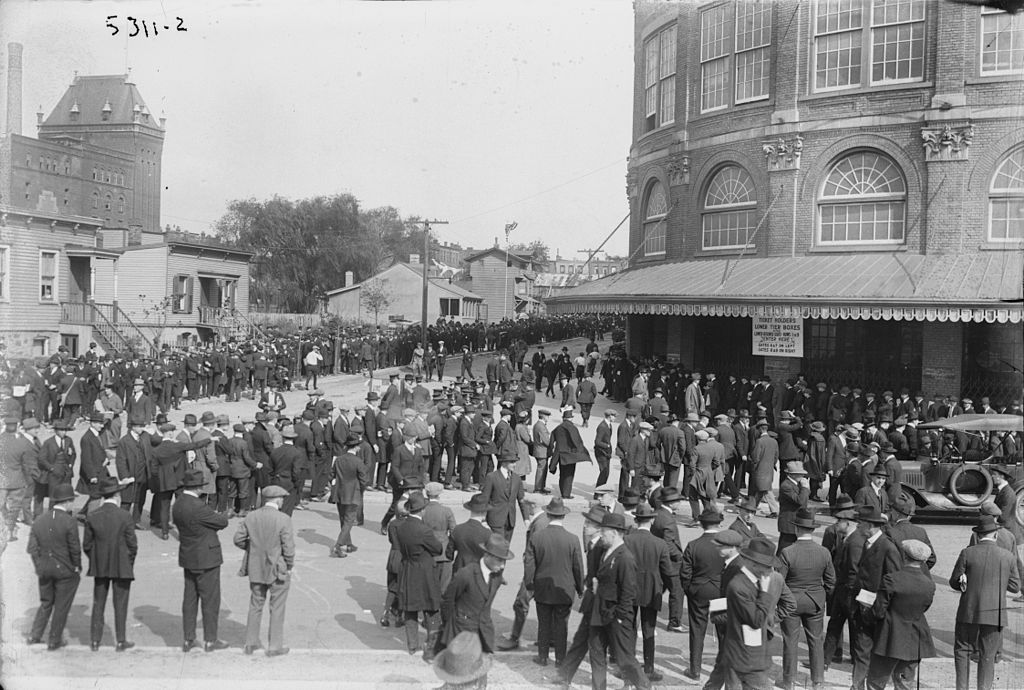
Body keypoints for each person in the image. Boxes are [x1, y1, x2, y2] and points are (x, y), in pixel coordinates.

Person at [950, 514, 1021, 690]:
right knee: (988, 655)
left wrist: (963, 580)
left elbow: (954, 582)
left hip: (969, 610)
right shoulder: (1007, 556)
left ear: (977, 535)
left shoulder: (967, 553)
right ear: (995, 535)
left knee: (962, 651)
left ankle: (962, 687)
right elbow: (1015, 587)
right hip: (995, 613)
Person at [581, 512, 649, 690]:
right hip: (600, 611)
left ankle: (644, 686)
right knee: (596, 652)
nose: (601, 535)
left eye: (603, 532)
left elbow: (628, 591)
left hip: (615, 615)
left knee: (624, 658)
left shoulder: (625, 557)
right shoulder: (606, 551)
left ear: (614, 533)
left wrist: (620, 616)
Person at [233, 484, 295, 657]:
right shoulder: (284, 519)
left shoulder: (251, 516)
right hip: (277, 568)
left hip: (256, 567)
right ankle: (274, 646)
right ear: (276, 499)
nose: (283, 501)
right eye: (282, 498)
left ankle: (250, 644)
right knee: (277, 608)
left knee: (255, 605)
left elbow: (238, 539)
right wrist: (289, 566)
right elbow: (288, 548)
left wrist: (252, 549)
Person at [173, 468, 230, 653]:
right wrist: (221, 515)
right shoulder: (198, 507)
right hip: (207, 557)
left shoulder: (179, 503)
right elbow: (221, 522)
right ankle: (210, 639)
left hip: (188, 556)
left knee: (189, 599)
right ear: (198, 487)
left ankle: (189, 638)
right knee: (210, 600)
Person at [778, 508, 835, 690]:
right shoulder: (824, 552)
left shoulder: (787, 552)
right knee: (816, 640)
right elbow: (831, 581)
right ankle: (817, 681)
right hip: (815, 601)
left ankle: (789, 681)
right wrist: (821, 594)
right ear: (812, 530)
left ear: (796, 529)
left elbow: (780, 581)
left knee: (790, 641)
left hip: (791, 601)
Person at [867, 539, 935, 690]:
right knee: (905, 682)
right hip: (915, 637)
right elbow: (925, 607)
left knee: (876, 681)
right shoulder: (929, 584)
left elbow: (879, 611)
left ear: (904, 556)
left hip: (889, 636)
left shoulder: (892, 579)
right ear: (923, 561)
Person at [524, 496, 584, 667]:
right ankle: (560, 658)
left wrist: (530, 584)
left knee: (543, 623)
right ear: (563, 516)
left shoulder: (537, 537)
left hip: (542, 587)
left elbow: (529, 564)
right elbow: (578, 567)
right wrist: (580, 588)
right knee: (561, 625)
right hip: (564, 588)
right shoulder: (572, 539)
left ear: (548, 515)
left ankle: (542, 656)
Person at [83, 477, 138, 652]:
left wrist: (96, 559)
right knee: (120, 603)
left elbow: (87, 545)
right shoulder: (124, 516)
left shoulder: (92, 516)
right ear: (116, 495)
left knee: (98, 603)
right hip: (121, 565)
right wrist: (128, 562)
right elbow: (132, 545)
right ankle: (121, 640)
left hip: (100, 566)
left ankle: (95, 641)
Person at [719, 538, 781, 690]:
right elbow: (756, 620)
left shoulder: (757, 581)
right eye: (767, 567)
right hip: (745, 656)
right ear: (753, 564)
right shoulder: (738, 585)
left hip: (753, 653)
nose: (769, 572)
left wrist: (773, 619)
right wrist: (765, 594)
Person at [26, 484, 81, 650]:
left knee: (46, 603)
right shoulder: (70, 521)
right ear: (68, 502)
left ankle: (35, 635)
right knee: (61, 606)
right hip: (64, 569)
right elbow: (74, 548)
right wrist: (77, 565)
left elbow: (32, 548)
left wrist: (40, 566)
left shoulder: (40, 520)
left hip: (44, 568)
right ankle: (54, 639)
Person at [624, 503, 674, 681]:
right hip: (651, 590)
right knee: (648, 629)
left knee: (629, 630)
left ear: (636, 519)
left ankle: (628, 668)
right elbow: (668, 572)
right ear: (652, 520)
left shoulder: (627, 540)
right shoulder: (660, 543)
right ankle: (648, 668)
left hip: (629, 590)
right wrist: (664, 589)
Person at [396, 492, 444, 660]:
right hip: (424, 571)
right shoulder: (424, 530)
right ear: (422, 510)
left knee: (410, 609)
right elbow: (438, 549)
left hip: (408, 568)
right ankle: (431, 644)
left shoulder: (400, 527)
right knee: (431, 609)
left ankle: (412, 645)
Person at [679, 506, 725, 682]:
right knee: (722, 631)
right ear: (719, 523)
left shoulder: (693, 545)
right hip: (720, 591)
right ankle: (722, 668)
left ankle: (695, 669)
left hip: (698, 591)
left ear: (701, 524)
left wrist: (690, 589)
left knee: (697, 630)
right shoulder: (725, 545)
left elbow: (685, 573)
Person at [329, 432, 368, 558]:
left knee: (343, 519)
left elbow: (331, 475)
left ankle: (349, 544)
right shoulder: (358, 461)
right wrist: (361, 489)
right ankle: (339, 545)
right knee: (349, 520)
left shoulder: (339, 459)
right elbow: (364, 480)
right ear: (356, 447)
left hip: (339, 493)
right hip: (353, 493)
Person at [651, 486, 685, 633]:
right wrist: (680, 557)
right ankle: (675, 622)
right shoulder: (668, 520)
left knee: (658, 589)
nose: (680, 503)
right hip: (671, 563)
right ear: (672, 503)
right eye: (678, 500)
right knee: (677, 591)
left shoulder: (658, 514)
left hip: (658, 560)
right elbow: (669, 544)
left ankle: (648, 616)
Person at [480, 454, 527, 542]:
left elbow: (522, 500)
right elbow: (484, 499)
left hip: (510, 521)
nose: (515, 465)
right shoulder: (492, 477)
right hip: (495, 520)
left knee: (505, 549)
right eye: (512, 462)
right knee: (497, 549)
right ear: (504, 463)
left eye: (515, 462)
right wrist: (482, 519)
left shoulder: (517, 479)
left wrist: (526, 518)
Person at [548, 407, 591, 500]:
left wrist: (551, 450)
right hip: (570, 455)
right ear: (571, 418)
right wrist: (582, 451)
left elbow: (551, 440)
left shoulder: (558, 428)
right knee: (569, 475)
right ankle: (566, 494)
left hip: (560, 455)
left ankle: (562, 491)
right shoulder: (572, 427)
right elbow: (577, 441)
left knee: (562, 474)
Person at [777, 460, 810, 554]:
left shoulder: (798, 483)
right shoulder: (786, 485)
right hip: (789, 522)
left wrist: (805, 488)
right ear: (792, 474)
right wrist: (805, 488)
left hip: (796, 521)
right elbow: (800, 501)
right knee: (784, 548)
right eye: (800, 474)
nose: (802, 476)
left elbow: (805, 497)